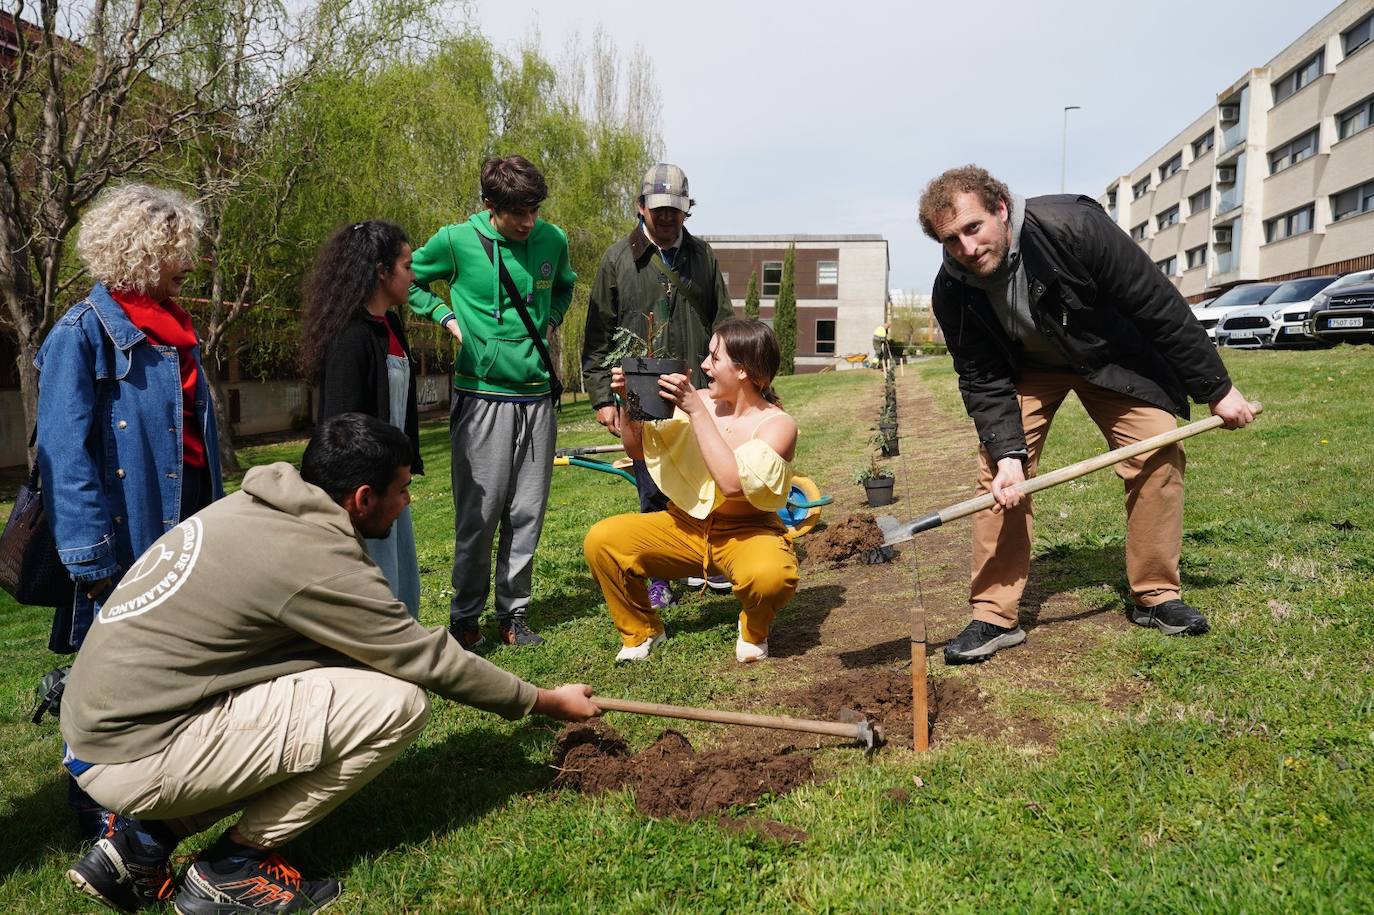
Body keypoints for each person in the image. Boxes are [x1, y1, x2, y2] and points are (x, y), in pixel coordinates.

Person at [61, 413, 600, 914]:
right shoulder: (315, 559)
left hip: (104, 735)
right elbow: (423, 656)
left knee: (345, 686)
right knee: (397, 705)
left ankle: (140, 845)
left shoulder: (260, 507)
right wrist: (544, 701)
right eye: (403, 489)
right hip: (133, 753)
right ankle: (229, 869)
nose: (409, 501)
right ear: (363, 498)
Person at [916, 165, 1256, 664]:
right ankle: (993, 613)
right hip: (1029, 369)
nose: (967, 248)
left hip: (1110, 359)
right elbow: (981, 376)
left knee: (1158, 447)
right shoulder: (953, 289)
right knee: (998, 476)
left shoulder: (1073, 228)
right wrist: (1009, 454)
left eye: (974, 228)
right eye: (952, 240)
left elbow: (1157, 305)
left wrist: (1217, 389)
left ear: (1001, 210)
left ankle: (1157, 595)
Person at [35, 183, 225, 840]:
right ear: (140, 251)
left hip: (188, 527)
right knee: (108, 677)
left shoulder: (175, 331)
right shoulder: (83, 335)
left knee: (169, 670)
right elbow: (65, 454)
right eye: (178, 250)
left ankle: (156, 793)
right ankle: (96, 808)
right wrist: (92, 562)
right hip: (126, 534)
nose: (188, 264)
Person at [408, 155, 577, 650]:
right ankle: (465, 618)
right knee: (478, 515)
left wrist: (550, 321)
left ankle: (514, 615)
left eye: (534, 210)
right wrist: (446, 318)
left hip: (536, 397)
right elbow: (407, 279)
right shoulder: (456, 241)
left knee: (527, 511)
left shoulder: (553, 241)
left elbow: (564, 286)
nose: (528, 223)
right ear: (489, 206)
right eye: (517, 213)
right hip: (481, 397)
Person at [583, 318, 799, 664]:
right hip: (684, 525)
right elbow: (636, 450)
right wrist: (630, 401)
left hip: (748, 532)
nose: (703, 366)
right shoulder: (696, 401)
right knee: (603, 541)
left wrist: (698, 412)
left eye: (714, 359)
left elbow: (732, 484)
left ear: (742, 371)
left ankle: (754, 629)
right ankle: (642, 630)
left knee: (771, 576)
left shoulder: (777, 424)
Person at [580, 163, 735, 608]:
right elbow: (597, 336)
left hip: (696, 387)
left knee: (702, 477)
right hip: (640, 392)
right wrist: (600, 398)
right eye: (659, 209)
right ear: (641, 207)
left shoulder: (703, 258)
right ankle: (658, 574)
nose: (668, 218)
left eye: (677, 210)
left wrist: (729, 377)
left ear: (688, 211)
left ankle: (706, 559)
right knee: (651, 480)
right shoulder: (617, 260)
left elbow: (723, 321)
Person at [300, 220, 424, 618]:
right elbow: (339, 431)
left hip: (388, 485)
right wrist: (364, 498)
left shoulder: (389, 324)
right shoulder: (350, 336)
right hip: (364, 496)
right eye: (406, 265)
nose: (413, 275)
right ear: (381, 271)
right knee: (376, 592)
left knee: (403, 586)